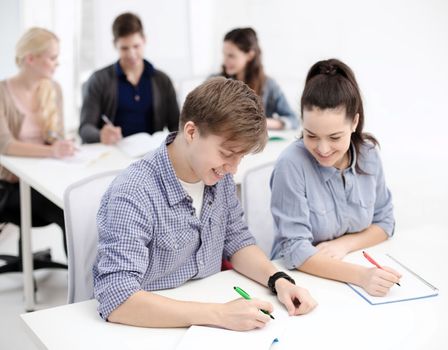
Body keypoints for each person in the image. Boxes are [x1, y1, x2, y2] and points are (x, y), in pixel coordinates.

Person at [93, 77, 317, 330]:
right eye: (227, 154)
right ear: (191, 132)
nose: (233, 169)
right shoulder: (133, 192)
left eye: (240, 157)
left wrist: (279, 280)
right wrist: (219, 315)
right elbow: (117, 298)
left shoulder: (217, 177)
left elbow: (238, 241)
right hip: (146, 328)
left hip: (205, 313)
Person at [270, 59, 401, 297]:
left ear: (355, 123)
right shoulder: (291, 164)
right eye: (311, 135)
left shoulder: (369, 155)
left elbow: (385, 222)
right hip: (301, 282)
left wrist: (344, 245)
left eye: (334, 137)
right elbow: (295, 250)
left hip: (349, 268)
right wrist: (362, 276)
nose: (322, 148)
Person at [0, 27, 74, 250]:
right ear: (31, 58)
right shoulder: (2, 93)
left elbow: (55, 135)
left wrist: (61, 144)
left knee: (82, 205)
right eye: (52, 58)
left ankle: (86, 280)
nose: (56, 63)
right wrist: (52, 151)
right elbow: (5, 145)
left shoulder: (54, 89)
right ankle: (79, 284)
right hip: (10, 187)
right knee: (68, 212)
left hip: (46, 179)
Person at [79, 12, 179, 144]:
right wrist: (100, 135)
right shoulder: (99, 80)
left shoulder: (162, 80)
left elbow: (176, 125)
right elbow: (85, 128)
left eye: (136, 46)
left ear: (144, 40)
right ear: (115, 45)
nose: (131, 54)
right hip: (113, 153)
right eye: (124, 48)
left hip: (152, 153)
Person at [215, 27, 298, 130]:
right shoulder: (215, 82)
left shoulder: (269, 85)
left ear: (250, 55)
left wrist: (262, 123)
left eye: (231, 56)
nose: (225, 61)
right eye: (224, 54)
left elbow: (293, 120)